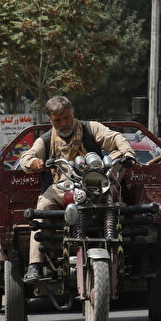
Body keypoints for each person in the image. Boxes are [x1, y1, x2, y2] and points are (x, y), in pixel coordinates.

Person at [17, 96, 136, 284]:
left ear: (72, 114)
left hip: (97, 184)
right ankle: (35, 265)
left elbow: (115, 138)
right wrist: (35, 162)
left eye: (66, 118)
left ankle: (127, 252)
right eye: (58, 120)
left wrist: (128, 154)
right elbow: (26, 157)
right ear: (50, 120)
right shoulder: (45, 140)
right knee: (43, 204)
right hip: (63, 187)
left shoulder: (91, 128)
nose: (63, 123)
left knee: (119, 199)